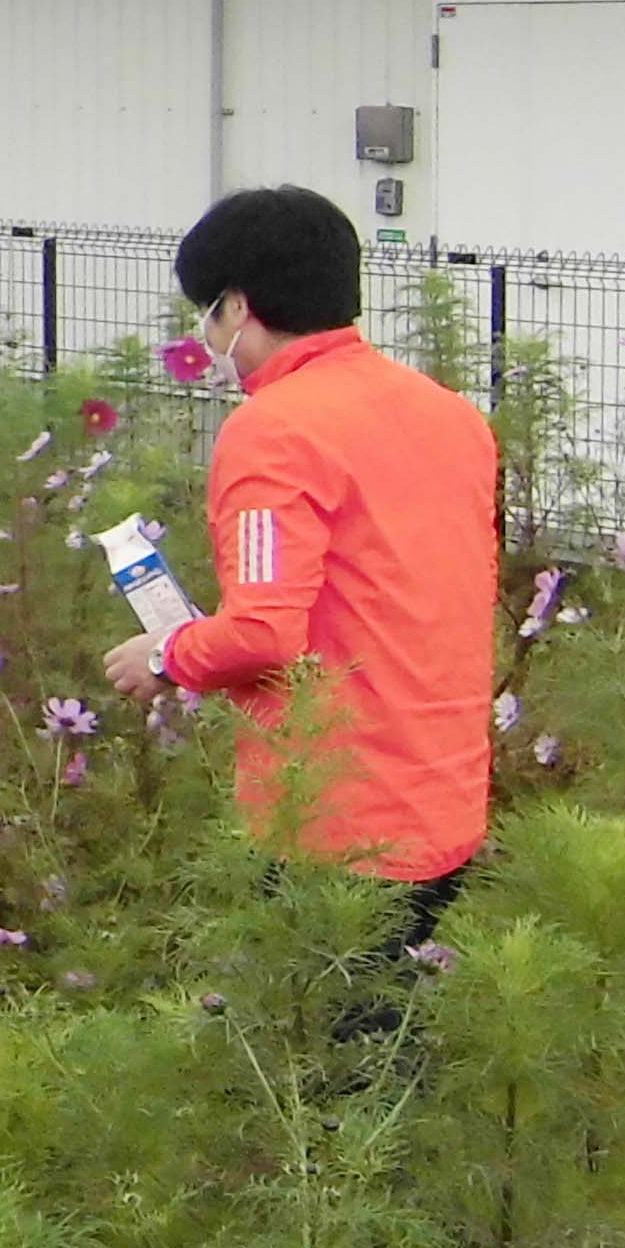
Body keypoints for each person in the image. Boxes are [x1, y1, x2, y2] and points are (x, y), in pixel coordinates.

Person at [106, 185, 501, 945]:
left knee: (323, 1049)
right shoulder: (448, 414)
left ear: (238, 306)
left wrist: (165, 653)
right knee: (396, 1036)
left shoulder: (277, 431)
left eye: (207, 311)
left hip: (334, 812)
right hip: (445, 795)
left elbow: (262, 634)